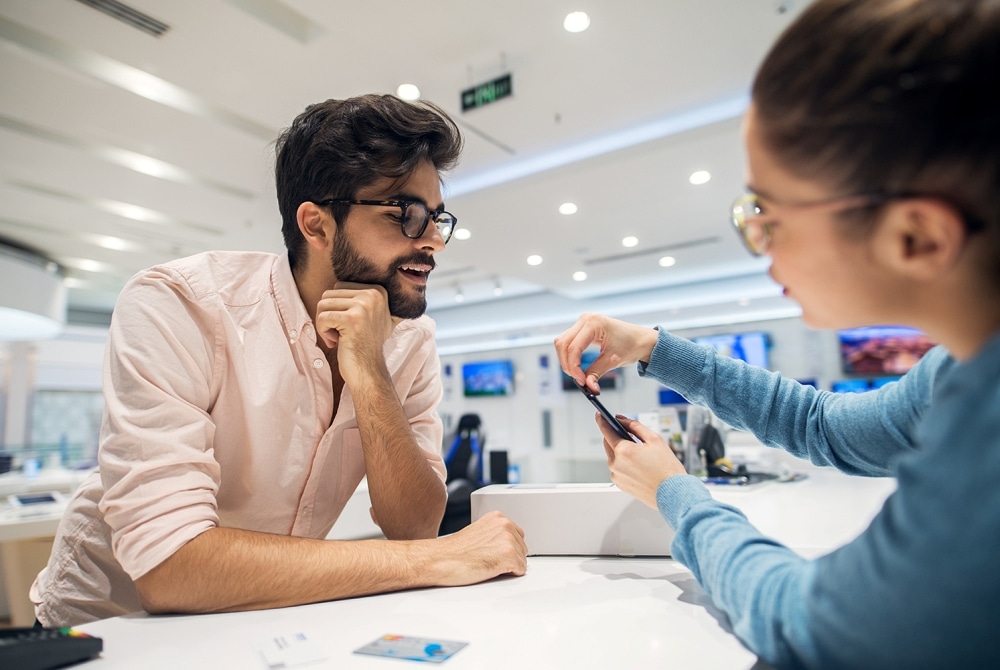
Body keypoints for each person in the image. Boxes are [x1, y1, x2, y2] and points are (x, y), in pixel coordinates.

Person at [555, 1, 999, 667]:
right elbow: (824, 425)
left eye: (768, 215)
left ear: (916, 236)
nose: (758, 244)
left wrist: (675, 495)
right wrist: (652, 346)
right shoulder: (962, 372)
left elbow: (808, 623)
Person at [31, 94, 527, 627]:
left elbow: (414, 524)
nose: (434, 241)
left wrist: (369, 371)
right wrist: (433, 561)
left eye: (436, 217)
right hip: (108, 629)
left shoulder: (410, 340)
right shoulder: (181, 304)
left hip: (260, 619)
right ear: (316, 225)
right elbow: (170, 565)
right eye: (404, 214)